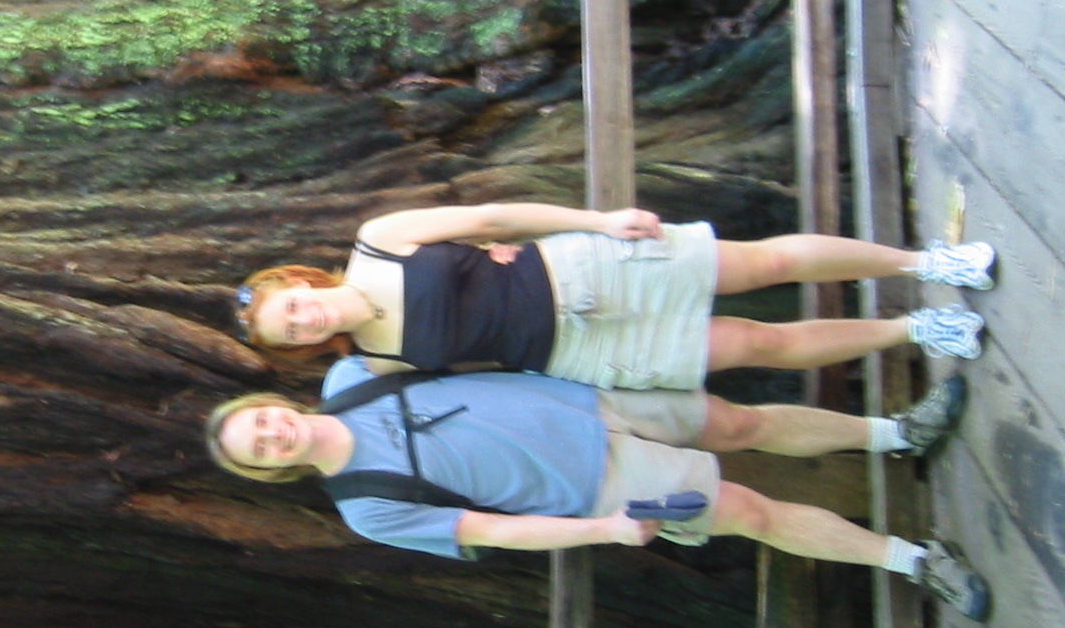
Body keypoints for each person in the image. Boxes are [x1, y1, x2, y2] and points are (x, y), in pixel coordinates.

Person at [204, 356, 991, 620]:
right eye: (261, 449)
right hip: (602, 489)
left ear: (272, 404)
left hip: (589, 399)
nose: (275, 433)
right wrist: (605, 531)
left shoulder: (350, 376)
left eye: (262, 421)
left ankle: (898, 432)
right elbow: (490, 531)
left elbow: (447, 340)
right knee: (752, 513)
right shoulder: (367, 508)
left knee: (741, 421)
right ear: (270, 471)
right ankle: (915, 561)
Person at [235, 202, 995, 389]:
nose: (304, 321)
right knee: (758, 345)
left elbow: (490, 219)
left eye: (292, 307)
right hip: (583, 353)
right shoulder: (378, 364)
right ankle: (920, 329)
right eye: (292, 333)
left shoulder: (377, 241)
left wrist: (597, 220)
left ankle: (930, 261)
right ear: (304, 347)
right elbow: (486, 384)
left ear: (300, 282)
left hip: (579, 272)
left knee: (763, 264)